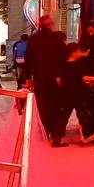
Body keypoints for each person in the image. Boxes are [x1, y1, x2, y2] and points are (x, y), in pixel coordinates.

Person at [25, 15, 67, 145]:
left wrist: (28, 78)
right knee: (56, 105)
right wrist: (61, 75)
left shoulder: (33, 39)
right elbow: (63, 58)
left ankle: (45, 131)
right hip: (54, 78)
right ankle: (56, 135)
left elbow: (28, 59)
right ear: (50, 25)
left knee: (42, 105)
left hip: (39, 77)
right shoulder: (56, 38)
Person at [54, 43, 94, 146]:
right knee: (83, 115)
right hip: (77, 94)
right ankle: (88, 136)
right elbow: (83, 78)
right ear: (73, 53)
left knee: (64, 116)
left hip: (67, 94)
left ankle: (57, 138)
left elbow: (59, 81)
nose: (80, 53)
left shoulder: (63, 65)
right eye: (78, 51)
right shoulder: (77, 65)